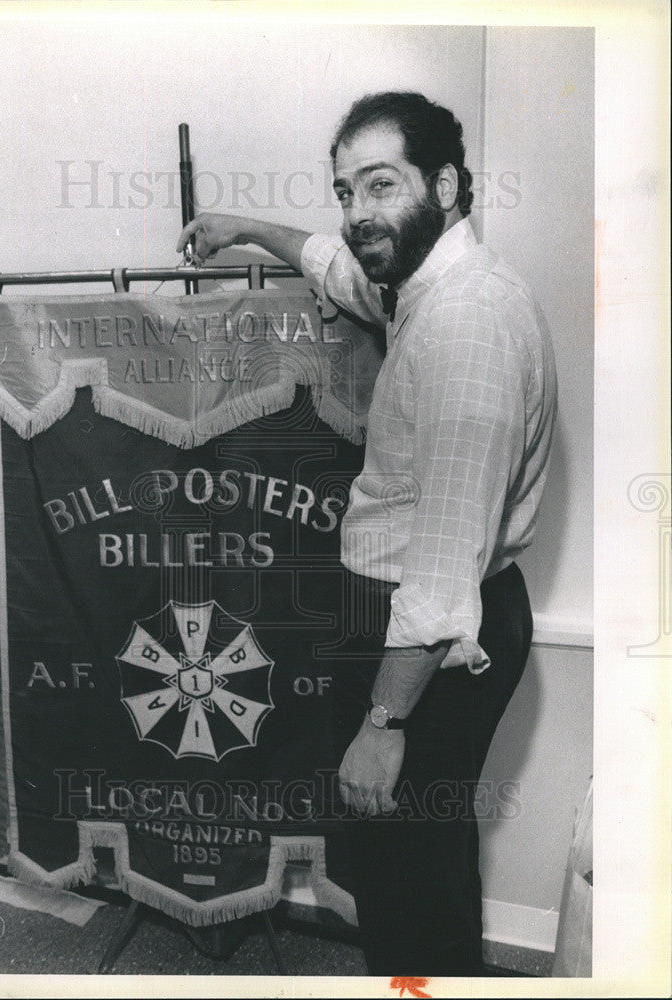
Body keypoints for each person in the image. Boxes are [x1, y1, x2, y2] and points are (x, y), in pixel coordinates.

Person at [177, 91, 558, 976]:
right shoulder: (423, 287)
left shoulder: (467, 321)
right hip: (405, 630)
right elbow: (338, 268)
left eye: (379, 186)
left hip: (425, 647)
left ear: (447, 184)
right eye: (345, 192)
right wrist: (242, 226)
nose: (355, 215)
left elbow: (441, 563)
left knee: (409, 876)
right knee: (401, 866)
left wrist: (385, 723)